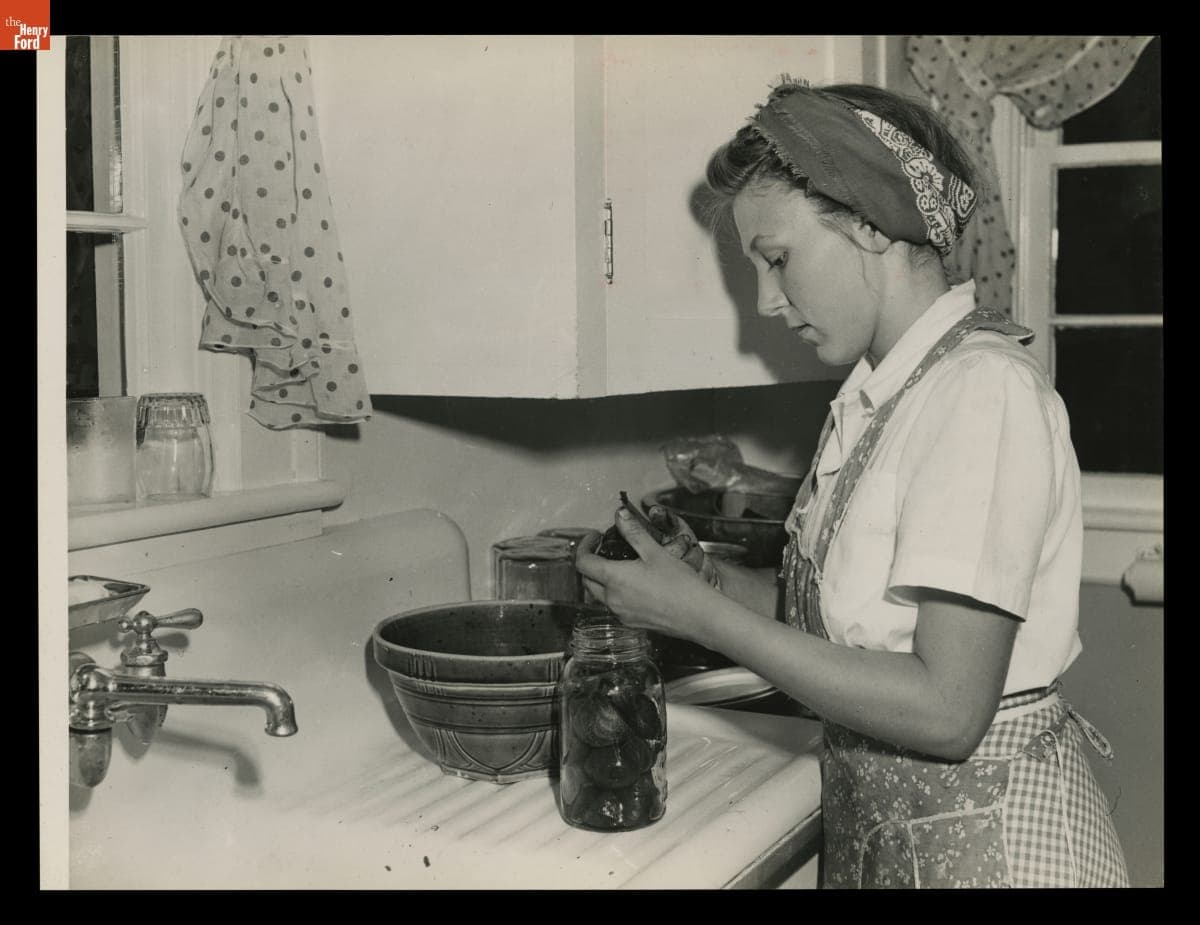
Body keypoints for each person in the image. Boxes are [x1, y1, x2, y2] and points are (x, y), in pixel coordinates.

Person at [574, 79, 1129, 889]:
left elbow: (947, 708)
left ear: (868, 221)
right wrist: (708, 581)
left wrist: (702, 619)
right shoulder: (884, 397)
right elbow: (856, 620)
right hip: (912, 843)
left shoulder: (981, 392)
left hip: (997, 854)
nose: (765, 303)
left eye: (777, 259)